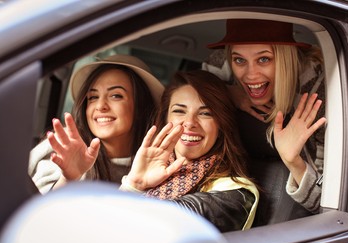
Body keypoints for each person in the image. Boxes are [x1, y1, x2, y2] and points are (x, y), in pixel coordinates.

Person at [205, 19, 327, 224]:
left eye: (264, 59)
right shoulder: (221, 67)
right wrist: (226, 92)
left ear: (284, 58)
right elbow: (190, 95)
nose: (251, 75)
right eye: (239, 61)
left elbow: (329, 208)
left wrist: (293, 161)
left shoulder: (319, 95)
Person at [119, 70, 259, 232]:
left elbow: (156, 222)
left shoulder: (236, 193)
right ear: (165, 118)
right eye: (179, 111)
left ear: (221, 125)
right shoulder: (152, 173)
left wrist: (132, 189)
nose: (190, 123)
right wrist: (135, 184)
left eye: (205, 113)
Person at [28, 54, 164, 193]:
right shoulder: (65, 149)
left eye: (115, 96)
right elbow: (35, 209)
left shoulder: (157, 163)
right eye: (93, 97)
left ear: (141, 106)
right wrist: (67, 179)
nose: (100, 106)